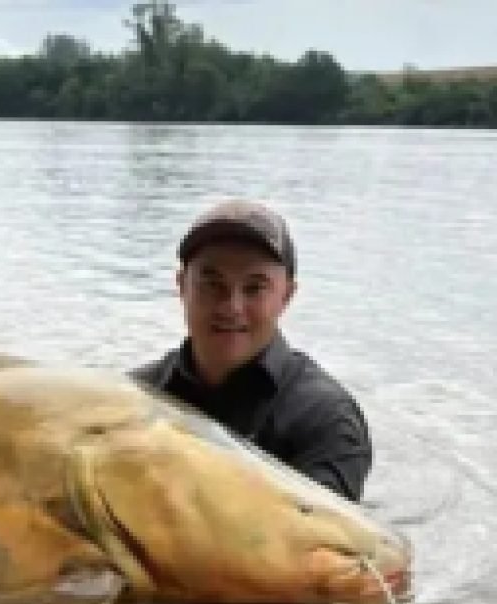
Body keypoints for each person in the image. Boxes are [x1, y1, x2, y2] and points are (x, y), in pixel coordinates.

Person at [131, 199, 372, 501]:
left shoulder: (327, 421)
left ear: (286, 296)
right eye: (212, 283)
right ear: (182, 286)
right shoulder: (134, 396)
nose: (231, 307)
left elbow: (326, 541)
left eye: (254, 288)